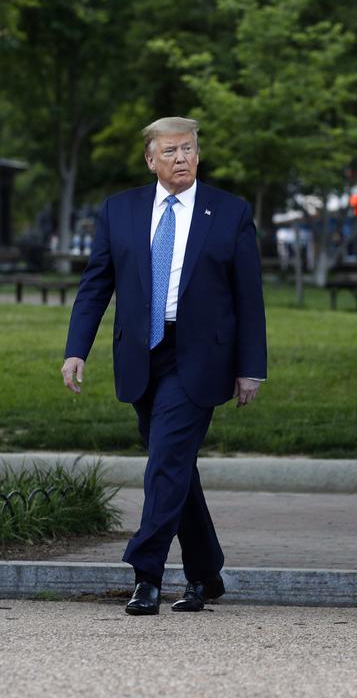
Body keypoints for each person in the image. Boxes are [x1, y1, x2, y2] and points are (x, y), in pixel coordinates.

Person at [61, 116, 267, 615]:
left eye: (189, 150)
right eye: (171, 151)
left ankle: (145, 572)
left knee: (165, 463)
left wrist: (250, 367)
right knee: (176, 468)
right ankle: (206, 574)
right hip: (141, 354)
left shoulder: (230, 212)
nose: (182, 159)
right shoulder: (119, 211)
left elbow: (249, 297)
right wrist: (76, 349)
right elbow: (96, 286)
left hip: (200, 357)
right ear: (151, 159)